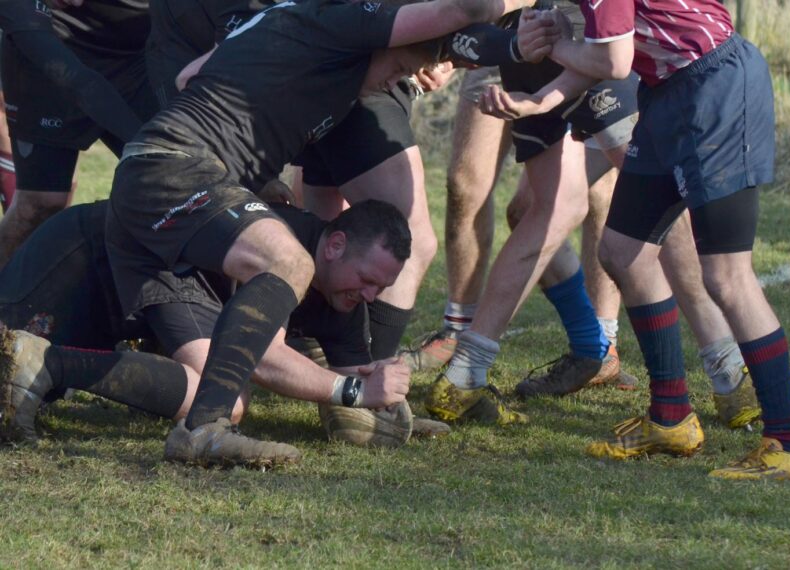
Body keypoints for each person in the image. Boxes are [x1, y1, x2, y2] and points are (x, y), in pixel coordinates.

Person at [100, 0, 533, 467]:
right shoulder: (340, 23)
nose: (397, 83)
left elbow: (189, 78)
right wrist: (513, 18)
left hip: (172, 169)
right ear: (381, 38)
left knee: (231, 369)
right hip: (174, 169)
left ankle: (189, 414)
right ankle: (209, 429)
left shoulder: (318, 40)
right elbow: (469, 7)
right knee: (288, 261)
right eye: (402, 69)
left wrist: (510, 46)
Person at [481, 1, 790, 480]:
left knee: (727, 278)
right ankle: (671, 418)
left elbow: (613, 62)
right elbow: (604, 59)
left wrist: (555, 45)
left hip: (714, 85)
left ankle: (788, 444)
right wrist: (538, 102)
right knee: (623, 252)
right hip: (667, 92)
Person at [0, 199, 425, 460]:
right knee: (219, 399)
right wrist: (355, 393)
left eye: (380, 288)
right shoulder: (286, 247)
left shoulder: (345, 295)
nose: (370, 295)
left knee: (220, 399)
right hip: (84, 261)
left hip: (154, 288)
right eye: (368, 279)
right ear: (335, 246)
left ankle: (52, 364)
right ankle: (50, 362)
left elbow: (355, 384)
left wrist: (390, 408)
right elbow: (263, 358)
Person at [422, 2, 641, 425]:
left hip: (553, 40)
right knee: (654, 207)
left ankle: (597, 346)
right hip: (560, 39)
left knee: (557, 208)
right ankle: (705, 385)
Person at [0, 0, 157, 266]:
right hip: (53, 49)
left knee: (168, 183)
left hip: (136, 54)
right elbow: (78, 81)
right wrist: (147, 143)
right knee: (41, 203)